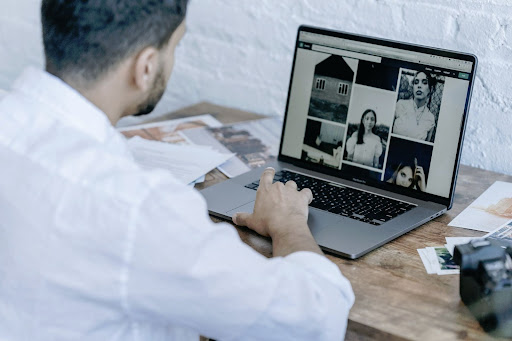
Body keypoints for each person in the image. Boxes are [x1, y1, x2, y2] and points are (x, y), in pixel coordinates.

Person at [0, 1, 354, 340]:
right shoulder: (136, 208)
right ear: (146, 66)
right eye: (175, 45)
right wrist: (290, 225)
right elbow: (315, 319)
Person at [392, 71, 436, 141]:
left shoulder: (430, 118)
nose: (419, 86)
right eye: (416, 82)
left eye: (424, 82)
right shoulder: (400, 105)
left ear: (430, 89)